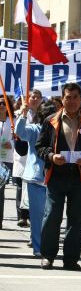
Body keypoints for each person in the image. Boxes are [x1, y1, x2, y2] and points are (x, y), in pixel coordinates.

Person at [35, 83, 81, 270]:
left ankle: (71, 259)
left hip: (80, 177)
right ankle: (47, 255)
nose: (71, 101)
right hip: (56, 176)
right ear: (62, 99)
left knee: (76, 219)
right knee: (52, 216)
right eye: (68, 97)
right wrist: (51, 156)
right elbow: (39, 147)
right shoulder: (50, 120)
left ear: (80, 99)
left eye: (75, 97)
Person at [15, 101, 56, 257]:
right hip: (36, 179)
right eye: (48, 115)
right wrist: (23, 115)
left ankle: (48, 245)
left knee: (51, 217)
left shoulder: (59, 131)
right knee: (37, 216)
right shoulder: (34, 130)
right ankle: (38, 247)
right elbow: (20, 132)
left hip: (54, 178)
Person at [0, 96, 14, 230]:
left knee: (0, 190)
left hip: (5, 159)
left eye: (4, 103)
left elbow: (19, 139)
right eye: (0, 103)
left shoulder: (12, 121)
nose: (2, 105)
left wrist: (12, 143)